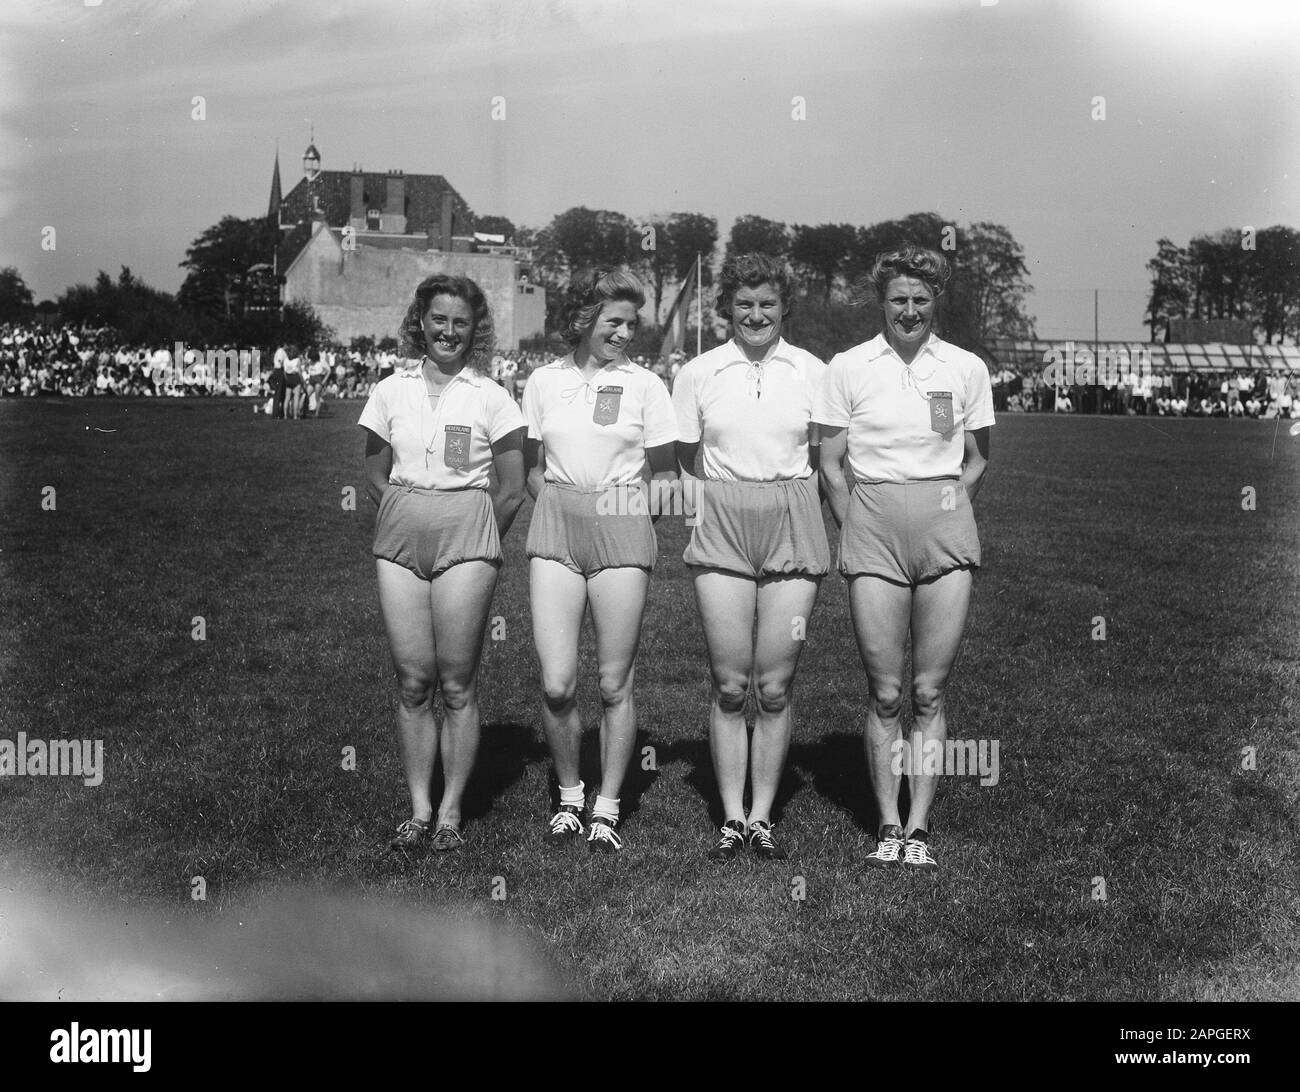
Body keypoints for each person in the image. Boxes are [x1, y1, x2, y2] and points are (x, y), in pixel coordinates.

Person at [816, 244, 993, 872]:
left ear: (935, 301)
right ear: (881, 300)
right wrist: (856, 523)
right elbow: (831, 465)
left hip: (945, 533)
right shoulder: (849, 366)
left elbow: (976, 456)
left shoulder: (967, 368)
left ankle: (919, 826)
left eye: (921, 299)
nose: (909, 310)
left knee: (929, 690)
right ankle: (887, 824)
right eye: (898, 299)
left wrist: (947, 507)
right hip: (872, 530)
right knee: (886, 693)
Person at [358, 274, 526, 853]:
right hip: (401, 534)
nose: (448, 331)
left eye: (460, 322)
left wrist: (477, 540)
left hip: (468, 535)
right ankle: (419, 808)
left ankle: (451, 812)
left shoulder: (492, 395)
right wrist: (409, 510)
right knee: (412, 681)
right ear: (420, 322)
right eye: (438, 319)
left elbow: (511, 487)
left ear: (475, 328)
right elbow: (376, 472)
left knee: (456, 684)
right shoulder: (390, 389)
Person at [672, 253, 829, 861]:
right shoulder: (699, 373)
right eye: (744, 304)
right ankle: (731, 817)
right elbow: (685, 455)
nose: (756, 315)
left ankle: (763, 817)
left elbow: (826, 454)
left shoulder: (816, 373)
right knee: (732, 683)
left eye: (767, 304)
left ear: (785, 306)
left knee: (775, 683)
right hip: (721, 521)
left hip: (793, 517)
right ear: (726, 310)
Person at [523, 269, 678, 853]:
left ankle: (607, 806)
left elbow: (666, 475)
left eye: (631, 323)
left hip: (622, 527)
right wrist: (565, 507)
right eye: (614, 320)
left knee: (614, 680)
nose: (624, 332)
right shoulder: (542, 381)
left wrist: (627, 518)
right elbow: (532, 467)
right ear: (585, 318)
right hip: (558, 523)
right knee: (558, 683)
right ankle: (569, 797)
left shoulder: (646, 386)